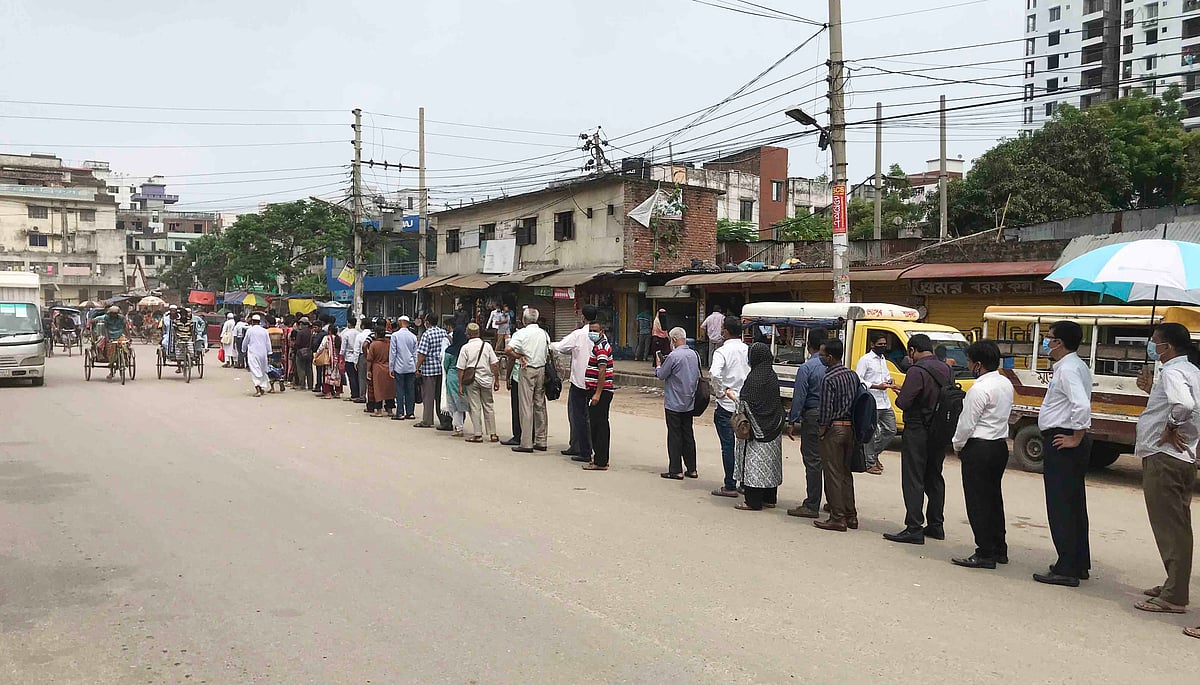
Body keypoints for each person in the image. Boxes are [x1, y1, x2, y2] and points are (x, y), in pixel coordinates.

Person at [1133, 323, 1200, 618]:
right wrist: (1152, 389)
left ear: (1168, 347)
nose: (1152, 347)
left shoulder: (1173, 372)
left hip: (1165, 457)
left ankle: (1175, 595)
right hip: (1180, 458)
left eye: (1154, 342)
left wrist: (1171, 426)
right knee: (1176, 526)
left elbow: (1184, 404)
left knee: (1171, 528)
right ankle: (1174, 583)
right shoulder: (1190, 372)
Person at [1033, 320, 1094, 588]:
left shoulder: (1068, 369)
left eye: (1049, 337)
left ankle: (1067, 567)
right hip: (1065, 437)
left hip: (1062, 438)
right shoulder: (1074, 366)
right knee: (1073, 503)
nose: (1046, 341)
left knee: (1061, 505)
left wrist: (1075, 437)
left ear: (1058, 342)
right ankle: (1077, 561)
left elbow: (1081, 405)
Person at [883, 333, 953, 545]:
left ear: (912, 351)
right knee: (935, 477)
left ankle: (914, 527)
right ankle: (936, 525)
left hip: (917, 430)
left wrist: (899, 393)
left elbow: (904, 403)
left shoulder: (916, 370)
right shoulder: (946, 369)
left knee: (914, 478)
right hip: (940, 431)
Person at [950, 340, 1014, 570]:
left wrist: (957, 445)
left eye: (968, 361)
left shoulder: (979, 388)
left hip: (979, 446)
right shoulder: (1005, 383)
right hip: (998, 445)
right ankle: (998, 547)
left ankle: (984, 551)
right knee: (993, 499)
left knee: (978, 502)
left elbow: (967, 423)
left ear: (977, 364)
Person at [731, 342, 785, 511]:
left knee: (755, 465)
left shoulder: (753, 379)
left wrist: (733, 397)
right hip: (773, 427)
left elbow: (745, 403)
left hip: (756, 432)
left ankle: (752, 501)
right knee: (770, 465)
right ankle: (769, 498)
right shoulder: (771, 375)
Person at [813, 339, 859, 532]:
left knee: (832, 473)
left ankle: (837, 517)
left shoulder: (829, 378)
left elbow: (825, 411)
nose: (821, 358)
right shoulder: (852, 375)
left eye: (823, 355)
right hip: (850, 428)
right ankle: (851, 515)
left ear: (830, 357)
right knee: (845, 473)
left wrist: (821, 432)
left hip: (834, 429)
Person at [786, 331, 828, 519]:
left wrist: (792, 420)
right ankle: (834, 502)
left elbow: (799, 396)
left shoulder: (807, 367)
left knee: (812, 461)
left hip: (812, 417)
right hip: (833, 417)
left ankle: (812, 504)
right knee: (830, 462)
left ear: (808, 345)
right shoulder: (835, 366)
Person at [550, 304, 599, 462]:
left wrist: (549, 344)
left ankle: (584, 451)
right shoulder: (599, 334)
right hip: (595, 380)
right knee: (590, 416)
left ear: (583, 317)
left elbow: (562, 347)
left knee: (578, 415)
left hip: (579, 381)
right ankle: (579, 445)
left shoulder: (579, 334)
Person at [709, 315, 750, 497]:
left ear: (726, 331)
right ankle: (743, 482)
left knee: (728, 445)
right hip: (744, 404)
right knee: (744, 445)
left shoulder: (722, 352)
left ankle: (730, 484)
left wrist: (719, 392)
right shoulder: (747, 350)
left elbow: (714, 374)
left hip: (726, 404)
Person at [656, 327, 700, 480]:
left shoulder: (674, 357)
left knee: (674, 435)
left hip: (674, 402)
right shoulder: (694, 355)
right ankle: (692, 468)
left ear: (673, 340)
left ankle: (675, 469)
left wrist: (658, 364)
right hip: (689, 401)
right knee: (688, 434)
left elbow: (661, 375)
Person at [507, 307, 550, 453]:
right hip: (541, 369)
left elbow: (508, 349)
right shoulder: (543, 333)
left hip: (527, 368)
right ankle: (541, 440)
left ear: (524, 320)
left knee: (526, 405)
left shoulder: (521, 333)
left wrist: (519, 356)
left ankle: (526, 442)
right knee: (540, 405)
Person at [458, 322, 501, 443]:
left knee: (475, 407)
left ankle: (478, 434)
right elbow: (494, 364)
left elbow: (461, 368)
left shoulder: (465, 348)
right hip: (486, 379)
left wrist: (460, 384)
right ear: (478, 333)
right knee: (489, 406)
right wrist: (496, 379)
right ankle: (493, 433)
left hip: (472, 380)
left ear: (468, 334)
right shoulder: (486, 346)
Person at [582, 320, 615, 471]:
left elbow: (602, 370)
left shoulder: (601, 348)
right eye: (591, 330)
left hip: (600, 392)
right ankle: (600, 459)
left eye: (595, 330)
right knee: (599, 425)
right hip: (598, 390)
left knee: (598, 426)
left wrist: (597, 393)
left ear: (601, 332)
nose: (592, 333)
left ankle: (600, 461)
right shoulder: (598, 346)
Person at [414, 316, 449, 428]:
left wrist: (417, 368)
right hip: (441, 368)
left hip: (429, 370)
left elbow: (422, 354)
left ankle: (427, 420)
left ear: (427, 323)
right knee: (440, 396)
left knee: (428, 397)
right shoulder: (444, 332)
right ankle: (444, 420)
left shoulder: (427, 334)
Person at [389, 315, 418, 419]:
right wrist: (415, 366)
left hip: (399, 367)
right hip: (411, 366)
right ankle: (410, 412)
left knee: (400, 390)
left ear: (400, 322)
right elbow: (415, 354)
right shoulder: (413, 336)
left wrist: (391, 368)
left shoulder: (395, 336)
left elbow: (393, 353)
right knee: (410, 390)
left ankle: (400, 412)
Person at [442, 327, 470, 436]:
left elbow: (445, 365)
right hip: (465, 378)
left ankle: (458, 427)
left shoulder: (450, 350)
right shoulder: (466, 349)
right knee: (462, 402)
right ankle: (460, 424)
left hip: (452, 377)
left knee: (454, 404)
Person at [364, 322, 396, 417]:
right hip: (388, 367)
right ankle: (390, 409)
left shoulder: (374, 344)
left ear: (376, 334)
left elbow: (370, 359)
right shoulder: (389, 344)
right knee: (389, 390)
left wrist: (368, 370)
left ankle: (378, 410)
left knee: (377, 390)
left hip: (377, 368)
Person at [241, 315, 272, 397]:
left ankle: (258, 389)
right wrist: (269, 352)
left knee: (255, 371)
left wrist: (243, 350)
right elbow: (268, 343)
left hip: (253, 353)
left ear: (252, 321)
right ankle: (261, 387)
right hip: (263, 354)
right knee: (262, 370)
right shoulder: (265, 331)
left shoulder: (250, 331)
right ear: (259, 322)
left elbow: (245, 341)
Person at [95, 306, 128, 379]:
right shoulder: (107, 318)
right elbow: (106, 328)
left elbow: (125, 327)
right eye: (113, 313)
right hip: (110, 335)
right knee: (109, 350)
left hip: (120, 335)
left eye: (115, 313)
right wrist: (107, 338)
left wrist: (128, 337)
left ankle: (125, 358)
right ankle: (111, 369)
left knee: (125, 346)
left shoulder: (121, 318)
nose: (114, 315)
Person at [316, 323, 343, 399]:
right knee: (337, 376)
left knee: (328, 376)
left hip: (329, 359)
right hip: (337, 359)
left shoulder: (327, 338)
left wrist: (317, 355)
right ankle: (337, 393)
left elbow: (321, 347)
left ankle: (328, 393)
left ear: (330, 331)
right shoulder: (339, 338)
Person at [341, 316, 361, 401]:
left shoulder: (346, 334)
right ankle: (359, 393)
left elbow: (343, 347)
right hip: (357, 357)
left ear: (349, 324)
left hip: (349, 357)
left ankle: (354, 394)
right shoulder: (359, 333)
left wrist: (341, 356)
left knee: (351, 377)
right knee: (357, 376)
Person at [293, 317, 314, 391]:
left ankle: (302, 385)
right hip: (309, 351)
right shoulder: (311, 332)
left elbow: (298, 343)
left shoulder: (300, 332)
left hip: (300, 352)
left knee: (301, 369)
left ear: (302, 324)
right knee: (309, 369)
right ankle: (310, 385)